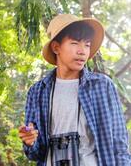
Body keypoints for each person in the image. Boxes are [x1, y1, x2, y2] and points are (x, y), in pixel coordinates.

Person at [18, 14, 131, 166]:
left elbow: (119, 144)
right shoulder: (38, 91)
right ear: (56, 47)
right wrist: (30, 142)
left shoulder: (102, 86)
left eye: (87, 45)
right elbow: (36, 154)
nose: (82, 51)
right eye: (75, 43)